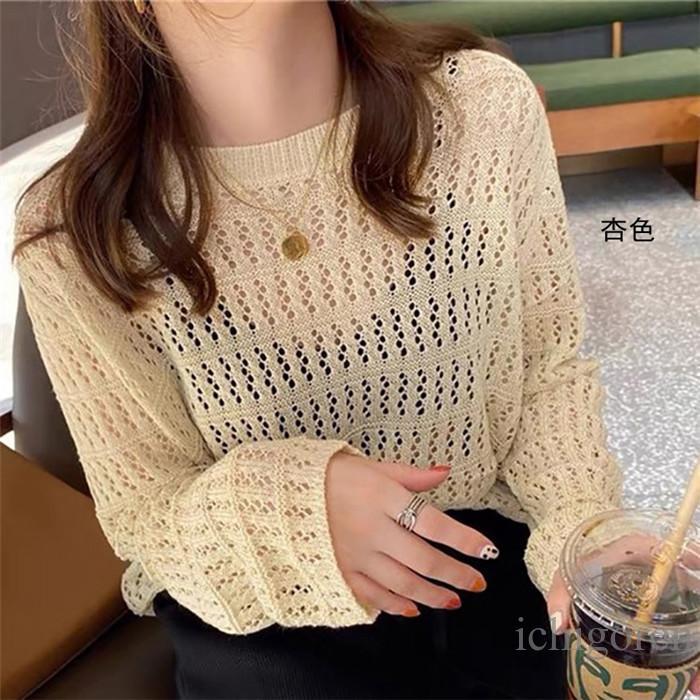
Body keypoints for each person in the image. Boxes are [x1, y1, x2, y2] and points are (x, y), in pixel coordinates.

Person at [10, 1, 636, 698]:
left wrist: (587, 535)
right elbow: (146, 513)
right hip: (266, 634)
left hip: (492, 593)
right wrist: (291, 513)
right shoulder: (71, 233)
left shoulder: (483, 109)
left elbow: (543, 370)